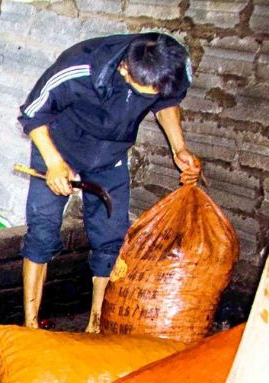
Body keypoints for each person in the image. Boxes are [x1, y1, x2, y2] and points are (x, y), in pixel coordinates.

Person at [17, 32, 202, 332]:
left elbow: (166, 101)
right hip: (58, 147)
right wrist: (53, 163)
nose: (150, 97)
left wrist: (179, 147)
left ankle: (96, 325)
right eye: (145, 92)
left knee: (111, 239)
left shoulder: (167, 64)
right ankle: (30, 325)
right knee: (42, 228)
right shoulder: (79, 66)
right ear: (124, 69)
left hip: (110, 157)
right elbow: (33, 113)